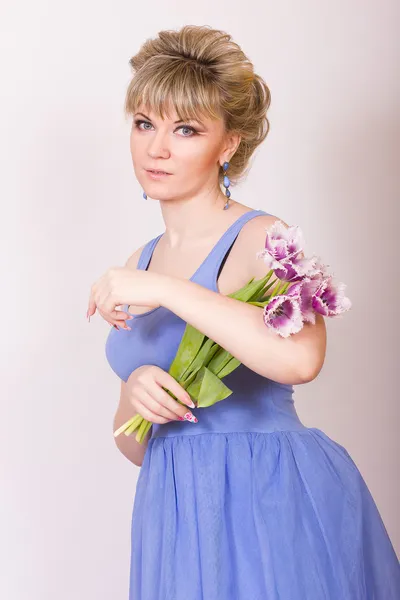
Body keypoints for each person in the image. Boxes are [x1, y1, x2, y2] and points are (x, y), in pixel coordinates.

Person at [91, 24, 400, 600]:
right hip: (177, 509)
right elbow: (136, 446)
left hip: (266, 496)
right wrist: (136, 389)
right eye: (144, 123)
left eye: (185, 129)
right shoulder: (143, 260)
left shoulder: (261, 236)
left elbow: (302, 361)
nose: (157, 148)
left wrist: (168, 292)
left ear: (227, 145)